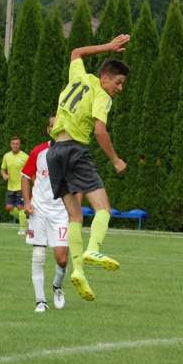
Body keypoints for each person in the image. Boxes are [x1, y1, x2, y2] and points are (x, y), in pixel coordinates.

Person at [47, 34, 130, 302]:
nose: (119, 88)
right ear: (106, 77)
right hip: (75, 150)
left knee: (74, 217)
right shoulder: (102, 95)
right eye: (118, 82)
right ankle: (93, 248)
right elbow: (99, 130)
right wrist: (116, 159)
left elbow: (76, 52)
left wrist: (107, 47)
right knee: (103, 209)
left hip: (54, 152)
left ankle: (79, 271)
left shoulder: (80, 77)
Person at [21, 116, 69, 312]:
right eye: (52, 126)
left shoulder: (72, 153)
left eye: (60, 125)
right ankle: (40, 301)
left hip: (61, 212)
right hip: (39, 209)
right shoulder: (38, 151)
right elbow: (25, 177)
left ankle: (57, 287)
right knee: (38, 254)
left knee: (62, 258)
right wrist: (26, 202)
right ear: (49, 130)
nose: (56, 128)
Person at [1, 136, 29, 235]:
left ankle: (23, 228)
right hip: (10, 187)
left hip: (22, 187)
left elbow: (30, 170)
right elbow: (3, 169)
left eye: (17, 144)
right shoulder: (6, 156)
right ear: (10, 145)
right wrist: (4, 175)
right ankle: (25, 220)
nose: (15, 145)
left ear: (19, 145)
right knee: (9, 208)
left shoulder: (25, 157)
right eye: (13, 144)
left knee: (21, 207)